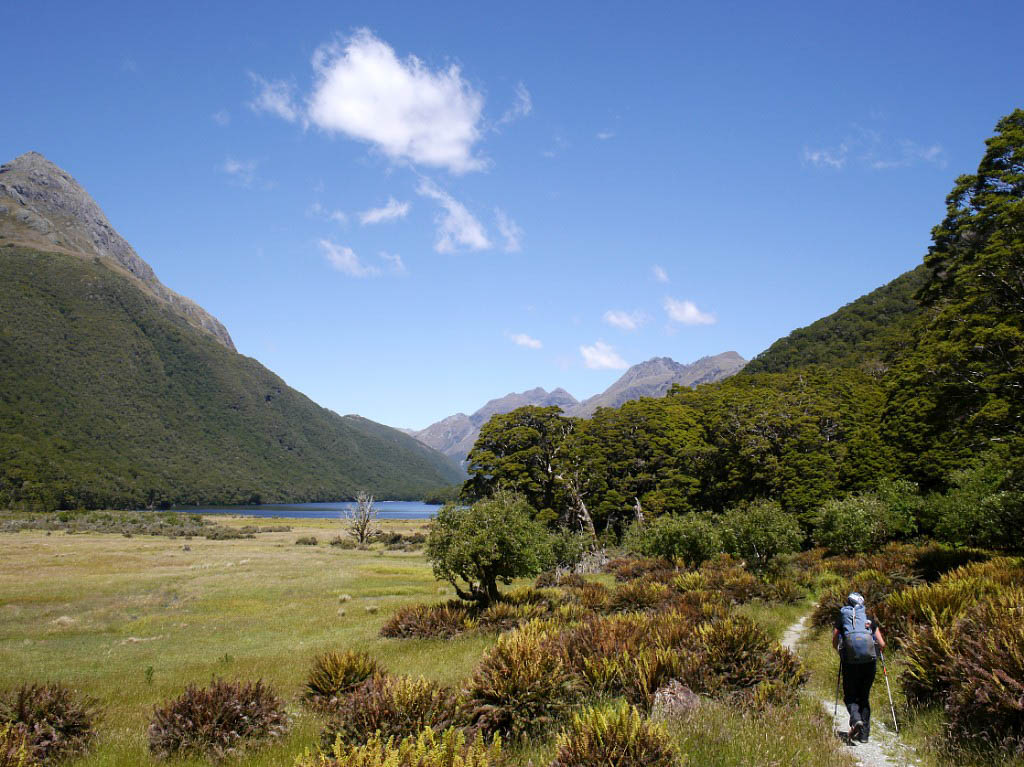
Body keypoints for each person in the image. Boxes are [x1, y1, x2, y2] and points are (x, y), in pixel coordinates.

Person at [832, 592, 885, 743]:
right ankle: (864, 736)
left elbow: (835, 639)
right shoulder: (869, 619)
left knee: (850, 695)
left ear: (848, 603)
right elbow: (882, 644)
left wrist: (839, 650)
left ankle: (855, 720)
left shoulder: (843, 617)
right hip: (869, 663)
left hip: (850, 662)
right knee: (864, 696)